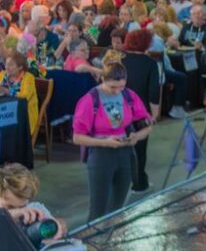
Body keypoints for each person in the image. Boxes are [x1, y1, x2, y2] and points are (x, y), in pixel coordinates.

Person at [72, 61, 153, 221]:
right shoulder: (89, 101)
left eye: (121, 86)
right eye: (112, 87)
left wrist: (136, 136)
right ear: (102, 80)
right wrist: (105, 142)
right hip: (101, 155)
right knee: (98, 208)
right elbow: (77, 137)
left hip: (125, 152)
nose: (117, 91)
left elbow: (147, 124)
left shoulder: (129, 96)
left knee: (118, 206)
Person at [119, 30, 160, 193]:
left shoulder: (120, 60)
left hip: (118, 108)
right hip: (140, 111)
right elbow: (154, 91)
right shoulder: (150, 63)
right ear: (147, 43)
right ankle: (139, 183)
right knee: (139, 148)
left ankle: (120, 182)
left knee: (119, 145)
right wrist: (154, 114)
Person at [0, 163, 67, 241]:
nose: (21, 211)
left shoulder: (35, 211)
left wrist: (54, 232)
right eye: (10, 207)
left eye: (23, 206)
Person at [0, 52, 38, 136]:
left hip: (23, 115)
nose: (7, 67)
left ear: (20, 67)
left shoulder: (28, 78)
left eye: (11, 65)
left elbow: (24, 98)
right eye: (6, 64)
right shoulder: (2, 75)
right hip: (4, 112)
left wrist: (6, 91)